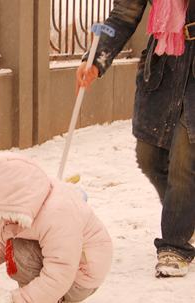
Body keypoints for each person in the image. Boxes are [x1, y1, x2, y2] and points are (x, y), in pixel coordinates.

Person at [76, 0, 195, 277]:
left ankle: (175, 244)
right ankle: (186, 214)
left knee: (184, 162)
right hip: (163, 65)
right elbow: (124, 14)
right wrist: (95, 58)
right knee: (148, 156)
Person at [0, 152, 113, 303]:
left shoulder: (57, 215)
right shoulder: (21, 207)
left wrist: (19, 302)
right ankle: (43, 300)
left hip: (81, 276)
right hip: (68, 269)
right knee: (15, 243)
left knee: (20, 250)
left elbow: (61, 270)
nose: (1, 219)